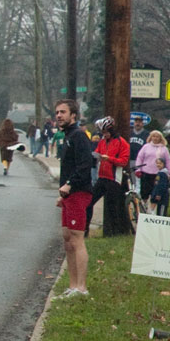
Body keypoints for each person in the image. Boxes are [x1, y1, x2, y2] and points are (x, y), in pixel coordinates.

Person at [53, 99, 93, 299]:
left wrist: (69, 184)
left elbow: (85, 166)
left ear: (73, 115)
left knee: (77, 239)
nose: (59, 115)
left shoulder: (79, 136)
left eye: (63, 112)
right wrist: (63, 194)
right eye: (57, 112)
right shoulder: (67, 136)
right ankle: (72, 285)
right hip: (68, 195)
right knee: (67, 239)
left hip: (79, 192)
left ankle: (81, 288)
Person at [85, 116, 131, 237]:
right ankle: (85, 230)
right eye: (102, 133)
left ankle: (114, 234)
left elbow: (123, 162)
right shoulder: (102, 142)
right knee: (89, 202)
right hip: (102, 177)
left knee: (112, 208)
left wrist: (109, 159)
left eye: (105, 132)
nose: (103, 135)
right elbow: (97, 153)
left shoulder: (122, 143)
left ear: (111, 131)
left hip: (114, 179)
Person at [134, 130, 170, 205]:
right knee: (144, 193)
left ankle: (153, 211)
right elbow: (139, 158)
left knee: (155, 194)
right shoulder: (146, 147)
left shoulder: (164, 149)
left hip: (158, 175)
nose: (155, 138)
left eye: (157, 137)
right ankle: (144, 209)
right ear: (151, 137)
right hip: (146, 173)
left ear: (160, 138)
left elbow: (168, 161)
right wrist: (138, 170)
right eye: (153, 136)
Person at [128, 116, 150, 192]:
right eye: (136, 122)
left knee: (139, 178)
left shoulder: (146, 134)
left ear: (142, 124)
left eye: (140, 122)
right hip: (130, 158)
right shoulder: (129, 133)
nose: (138, 124)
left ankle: (139, 193)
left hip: (141, 160)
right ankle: (133, 192)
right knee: (131, 178)